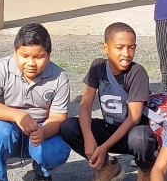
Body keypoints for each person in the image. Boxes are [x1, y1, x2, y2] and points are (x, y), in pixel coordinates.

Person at [59, 23, 157, 181]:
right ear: (105, 48)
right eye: (120, 47)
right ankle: (108, 165)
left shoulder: (137, 72)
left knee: (141, 137)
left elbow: (134, 118)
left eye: (131, 47)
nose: (126, 53)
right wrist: (89, 137)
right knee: (68, 126)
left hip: (134, 134)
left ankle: (146, 169)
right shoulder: (98, 67)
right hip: (109, 129)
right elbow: (85, 105)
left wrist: (103, 147)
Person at [0, 24, 71, 181]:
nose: (31, 63)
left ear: (49, 55)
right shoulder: (0, 69)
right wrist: (17, 115)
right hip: (6, 125)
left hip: (39, 127)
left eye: (38, 57)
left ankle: (43, 174)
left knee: (56, 149)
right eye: (24, 56)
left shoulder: (59, 77)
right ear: (15, 52)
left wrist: (44, 132)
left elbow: (58, 117)